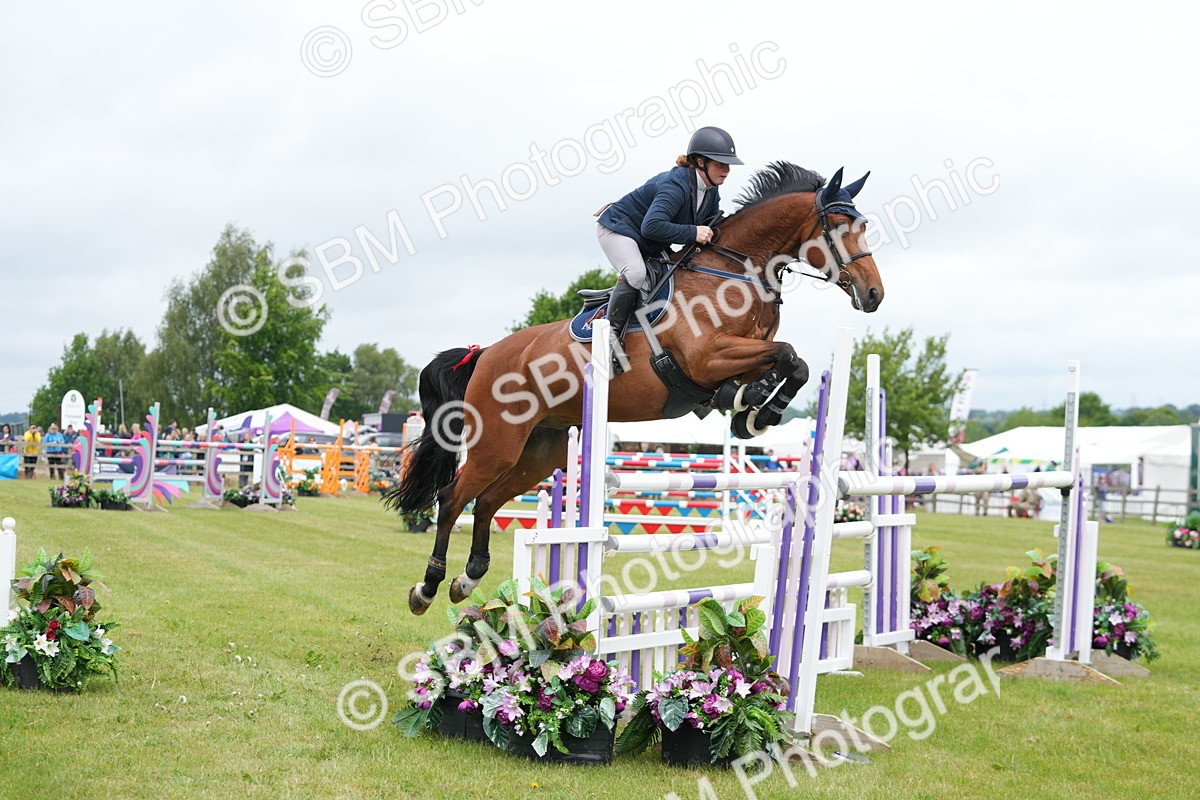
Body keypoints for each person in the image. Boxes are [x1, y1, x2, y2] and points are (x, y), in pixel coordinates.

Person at [594, 125, 743, 372]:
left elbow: (711, 224)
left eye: (728, 165)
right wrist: (694, 232)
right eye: (720, 163)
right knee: (636, 273)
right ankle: (608, 341)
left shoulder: (711, 191)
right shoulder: (675, 185)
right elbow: (650, 227)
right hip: (619, 230)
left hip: (650, 241)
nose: (727, 170)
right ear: (699, 162)